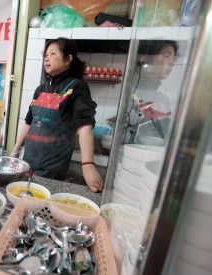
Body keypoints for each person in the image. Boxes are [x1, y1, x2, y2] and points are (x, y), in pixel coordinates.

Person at [10, 38, 103, 192]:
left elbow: (84, 126)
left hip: (52, 167)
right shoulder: (41, 89)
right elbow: (29, 121)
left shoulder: (76, 87)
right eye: (45, 54)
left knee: (41, 203)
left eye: (53, 53)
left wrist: (87, 165)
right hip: (28, 161)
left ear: (68, 59)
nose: (47, 58)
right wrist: (16, 149)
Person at [126, 40, 179, 144]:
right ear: (143, 59)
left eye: (174, 57)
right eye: (166, 56)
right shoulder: (127, 90)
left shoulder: (164, 99)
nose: (172, 63)